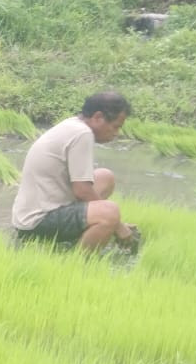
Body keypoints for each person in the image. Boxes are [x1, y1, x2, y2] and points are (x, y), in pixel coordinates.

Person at [11, 91, 139, 254]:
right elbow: (82, 191)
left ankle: (82, 237)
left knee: (105, 177)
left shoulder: (73, 124)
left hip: (36, 212)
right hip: (36, 222)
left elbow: (82, 187)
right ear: (98, 117)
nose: (116, 133)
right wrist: (118, 226)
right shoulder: (82, 134)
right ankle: (77, 261)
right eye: (115, 127)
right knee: (110, 213)